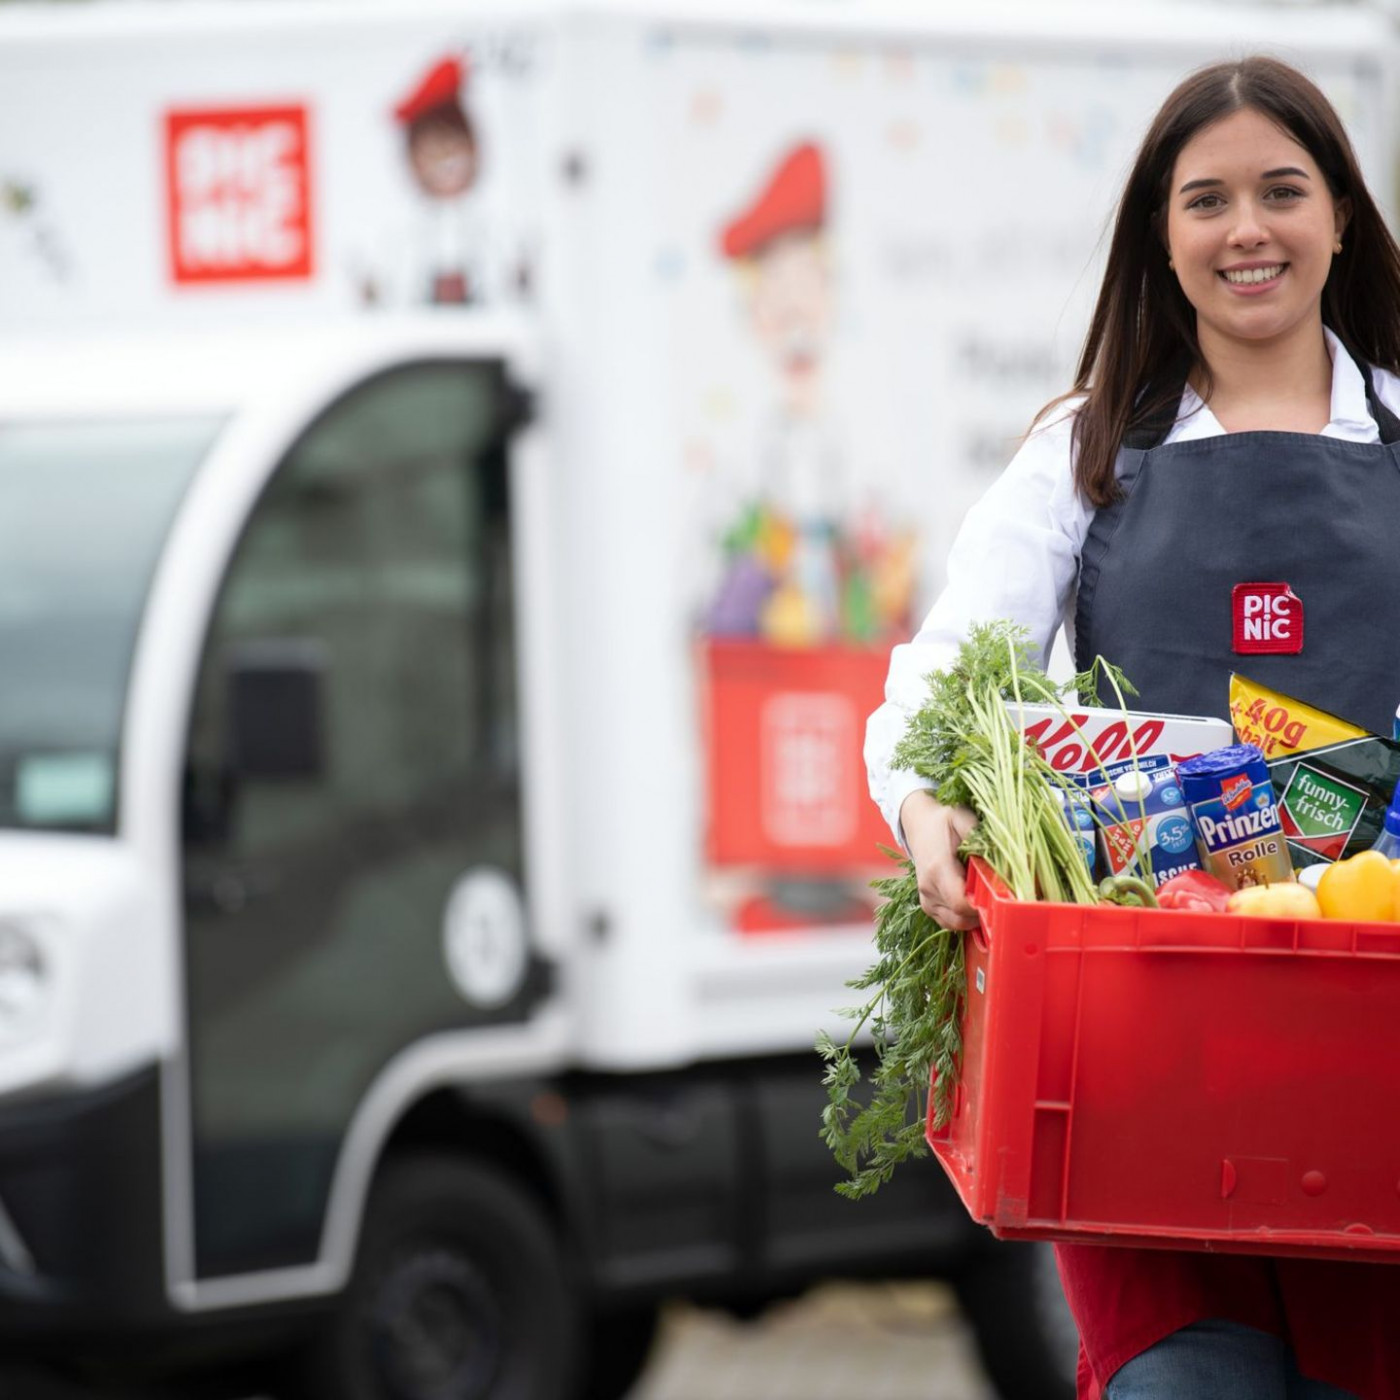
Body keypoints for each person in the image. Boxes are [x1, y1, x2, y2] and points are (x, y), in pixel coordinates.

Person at [865, 55, 1400, 1400]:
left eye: (1283, 191)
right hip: (1148, 1053)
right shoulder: (1087, 449)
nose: (1247, 230)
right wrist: (926, 805)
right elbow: (942, 672)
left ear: (1341, 215)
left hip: (1379, 1059)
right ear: (1161, 237)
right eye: (1206, 200)